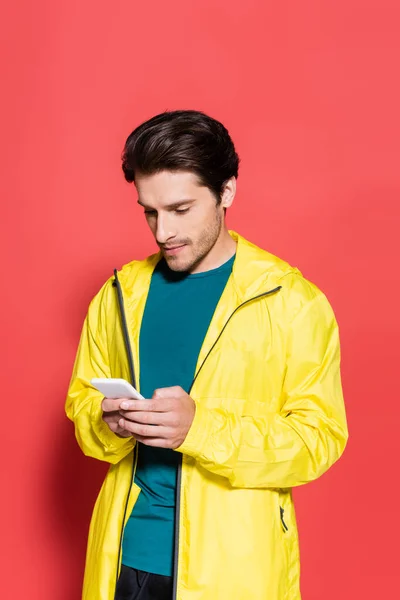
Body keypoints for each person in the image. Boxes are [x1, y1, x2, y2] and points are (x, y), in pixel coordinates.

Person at [66, 110, 348, 600]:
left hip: (234, 573)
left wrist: (201, 428)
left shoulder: (292, 302)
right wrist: (106, 423)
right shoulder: (118, 295)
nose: (162, 231)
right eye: (149, 211)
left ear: (227, 192)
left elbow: (317, 441)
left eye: (180, 209)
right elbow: (83, 414)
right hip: (125, 560)